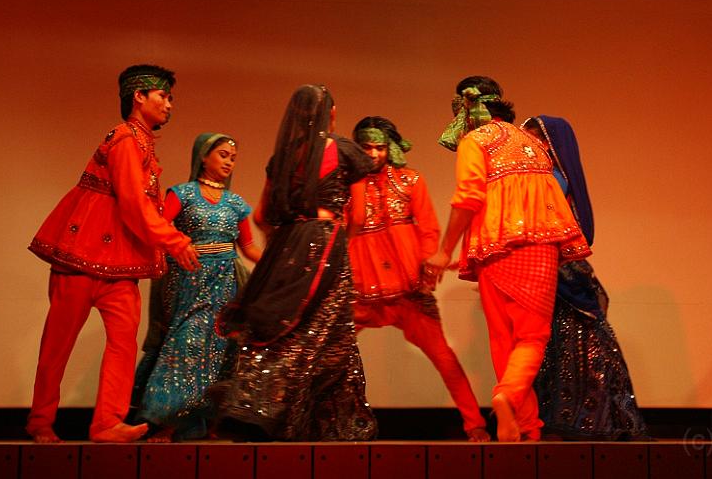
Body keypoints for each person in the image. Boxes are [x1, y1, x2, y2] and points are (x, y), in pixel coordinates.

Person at [26, 64, 200, 444]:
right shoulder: (123, 140)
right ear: (139, 96)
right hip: (81, 255)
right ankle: (40, 422)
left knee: (122, 341)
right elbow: (133, 205)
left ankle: (107, 423)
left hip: (119, 264)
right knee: (58, 344)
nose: (169, 105)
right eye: (163, 96)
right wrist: (174, 241)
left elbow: (142, 207)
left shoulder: (145, 147)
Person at [427, 76, 591, 442]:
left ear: (467, 111)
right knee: (532, 337)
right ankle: (517, 411)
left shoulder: (475, 140)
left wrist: (445, 249)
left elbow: (468, 197)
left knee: (504, 339)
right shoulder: (531, 142)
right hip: (539, 247)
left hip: (493, 251)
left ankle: (518, 414)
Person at [211, 84, 378, 441]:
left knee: (284, 330)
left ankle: (256, 408)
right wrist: (334, 242)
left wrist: (286, 245)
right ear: (330, 113)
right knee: (327, 334)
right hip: (327, 243)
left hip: (286, 244)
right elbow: (360, 217)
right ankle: (314, 421)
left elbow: (260, 215)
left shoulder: (284, 157)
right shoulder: (345, 150)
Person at [348, 117, 489, 442]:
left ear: (390, 147)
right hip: (359, 291)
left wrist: (429, 265)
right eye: (366, 147)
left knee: (444, 358)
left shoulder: (411, 181)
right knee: (326, 355)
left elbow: (428, 228)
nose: (373, 153)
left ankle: (475, 423)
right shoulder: (344, 188)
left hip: (409, 290)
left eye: (380, 147)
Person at [522, 116, 647, 440]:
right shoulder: (537, 177)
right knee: (553, 349)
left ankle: (588, 419)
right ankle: (560, 419)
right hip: (545, 271)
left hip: (559, 272)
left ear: (551, 145)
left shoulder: (550, 179)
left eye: (536, 142)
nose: (528, 149)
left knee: (582, 347)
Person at [131, 133, 262, 442]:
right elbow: (160, 228)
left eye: (232, 157)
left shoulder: (236, 203)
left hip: (226, 285)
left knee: (221, 351)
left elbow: (249, 248)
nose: (229, 161)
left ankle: (211, 423)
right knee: (184, 346)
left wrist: (279, 261)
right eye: (223, 155)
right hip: (189, 280)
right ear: (204, 156)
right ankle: (165, 421)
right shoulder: (183, 194)